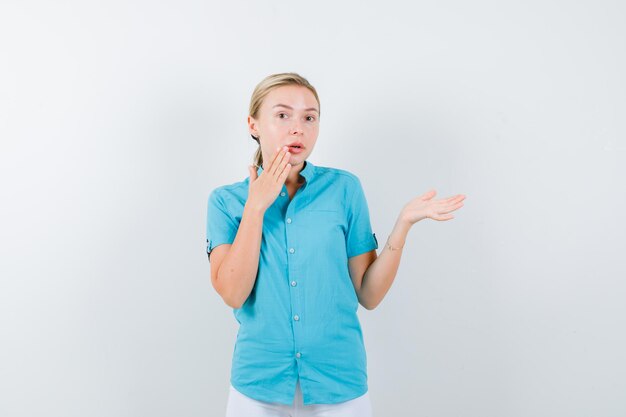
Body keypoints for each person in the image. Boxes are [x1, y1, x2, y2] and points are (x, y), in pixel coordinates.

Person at [206, 72, 466, 417]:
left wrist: (402, 226)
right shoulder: (226, 202)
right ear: (253, 124)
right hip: (258, 387)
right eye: (283, 115)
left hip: (339, 385)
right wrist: (256, 206)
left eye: (309, 117)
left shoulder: (344, 190)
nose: (298, 128)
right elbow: (232, 294)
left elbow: (369, 295)